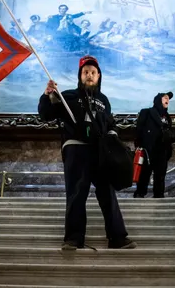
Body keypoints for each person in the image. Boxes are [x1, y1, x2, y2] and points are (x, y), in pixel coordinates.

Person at [38, 55, 136, 250]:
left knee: (108, 194)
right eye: (85, 72)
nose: (89, 75)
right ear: (80, 76)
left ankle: (117, 237)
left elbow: (110, 123)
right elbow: (45, 114)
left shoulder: (104, 100)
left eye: (93, 72)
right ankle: (74, 239)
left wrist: (112, 138)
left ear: (99, 76)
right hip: (76, 150)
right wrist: (47, 94)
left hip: (100, 152)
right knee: (76, 194)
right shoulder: (67, 97)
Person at [134, 92, 175, 198]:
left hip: (162, 151)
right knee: (144, 175)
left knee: (160, 176)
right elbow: (138, 130)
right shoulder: (146, 112)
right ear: (158, 100)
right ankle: (140, 194)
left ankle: (159, 197)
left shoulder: (167, 117)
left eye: (168, 98)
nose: (167, 100)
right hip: (147, 150)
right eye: (165, 98)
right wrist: (139, 146)